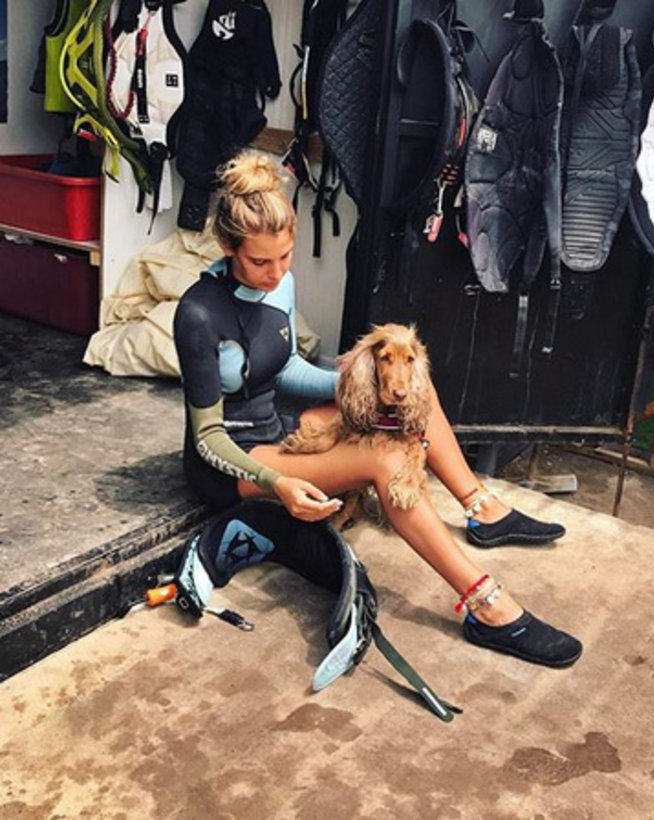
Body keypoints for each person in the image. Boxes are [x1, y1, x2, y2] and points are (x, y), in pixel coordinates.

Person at [173, 150, 582, 668]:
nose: (276, 273)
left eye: (286, 257)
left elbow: (285, 367)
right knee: (386, 459)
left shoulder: (279, 285)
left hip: (279, 430)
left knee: (414, 389)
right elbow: (207, 438)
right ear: (228, 247)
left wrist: (363, 385)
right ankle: (486, 604)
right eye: (259, 262)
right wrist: (278, 483)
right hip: (234, 463)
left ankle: (482, 509)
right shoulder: (198, 313)